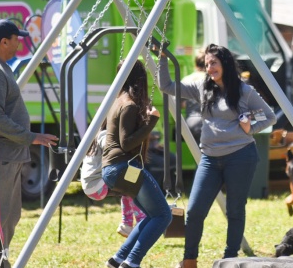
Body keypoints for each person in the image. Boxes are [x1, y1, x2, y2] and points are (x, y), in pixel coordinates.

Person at [157, 44, 276, 268]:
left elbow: (269, 117)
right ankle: (189, 260)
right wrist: (162, 58)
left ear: (226, 64)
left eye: (214, 63)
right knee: (194, 211)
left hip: (240, 157)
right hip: (210, 159)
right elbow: (167, 86)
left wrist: (250, 128)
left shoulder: (244, 91)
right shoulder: (203, 87)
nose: (209, 68)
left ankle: (230, 259)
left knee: (235, 210)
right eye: (207, 63)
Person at [0, 19, 58, 268]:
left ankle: (0, 262)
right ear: (4, 41)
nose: (19, 44)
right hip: (0, 155)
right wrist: (31, 137)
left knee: (9, 215)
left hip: (9, 155)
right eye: (16, 39)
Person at [102, 60, 172, 268]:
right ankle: (132, 262)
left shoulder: (117, 100)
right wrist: (152, 122)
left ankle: (117, 260)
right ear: (140, 80)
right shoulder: (129, 105)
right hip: (122, 168)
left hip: (112, 170)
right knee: (163, 215)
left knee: (151, 215)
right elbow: (126, 143)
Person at [183, 48, 206, 143]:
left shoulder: (187, 79)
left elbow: (179, 104)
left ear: (196, 64)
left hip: (191, 123)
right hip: (210, 123)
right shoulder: (214, 80)